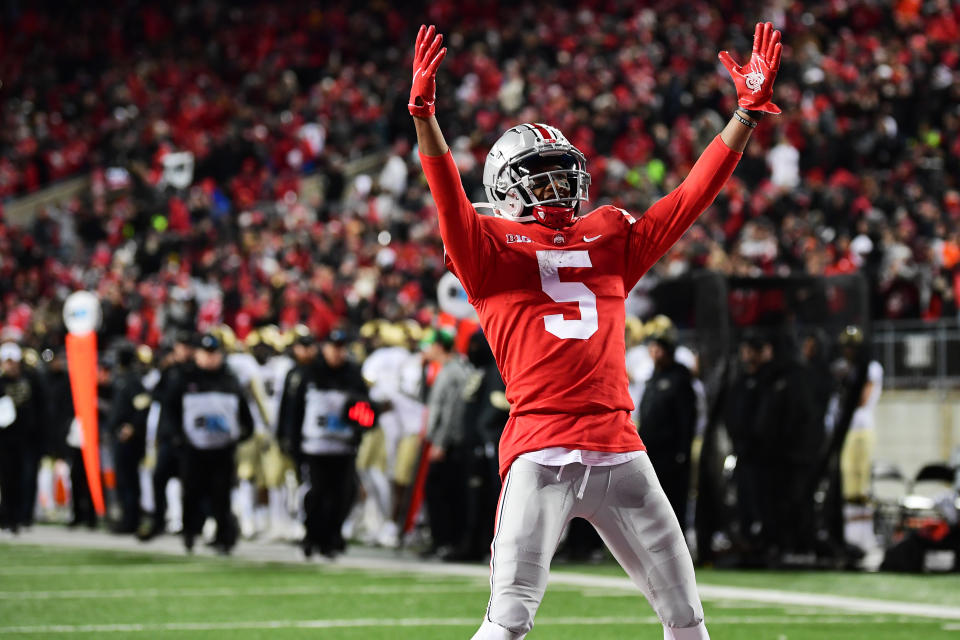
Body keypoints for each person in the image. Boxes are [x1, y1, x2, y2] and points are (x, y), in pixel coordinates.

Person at [408, 20, 782, 639]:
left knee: (688, 620)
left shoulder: (609, 236)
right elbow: (449, 199)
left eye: (563, 173)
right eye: (541, 175)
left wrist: (744, 115)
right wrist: (425, 120)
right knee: (506, 622)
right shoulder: (487, 247)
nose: (558, 186)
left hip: (619, 448)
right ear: (505, 185)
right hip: (542, 449)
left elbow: (687, 200)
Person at [278, 329, 369, 559]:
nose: (337, 353)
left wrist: (358, 424)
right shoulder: (308, 374)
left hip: (343, 446)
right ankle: (312, 536)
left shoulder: (353, 375)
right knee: (316, 493)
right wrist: (291, 441)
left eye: (341, 348)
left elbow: (367, 412)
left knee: (341, 495)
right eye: (333, 348)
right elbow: (294, 410)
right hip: (314, 446)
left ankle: (331, 537)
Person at [161, 333, 254, 553]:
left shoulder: (229, 380)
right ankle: (190, 533)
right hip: (193, 448)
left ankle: (225, 537)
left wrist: (242, 433)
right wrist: (177, 437)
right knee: (192, 492)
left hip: (222, 449)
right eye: (206, 353)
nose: (210, 358)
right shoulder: (185, 379)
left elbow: (244, 413)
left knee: (221, 494)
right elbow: (170, 410)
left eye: (214, 353)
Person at [638, 319, 697, 534]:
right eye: (652, 349)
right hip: (652, 450)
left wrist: (683, 450)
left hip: (671, 451)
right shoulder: (653, 378)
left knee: (672, 498)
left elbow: (686, 417)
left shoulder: (679, 378)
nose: (654, 353)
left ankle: (675, 540)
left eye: (658, 349)